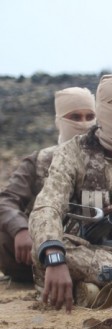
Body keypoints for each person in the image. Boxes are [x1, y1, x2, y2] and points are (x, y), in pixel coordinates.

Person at [29, 75, 112, 310]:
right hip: (88, 250)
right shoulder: (73, 152)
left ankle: (101, 288)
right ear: (102, 108)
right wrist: (55, 256)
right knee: (47, 249)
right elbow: (47, 206)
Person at [0, 87, 96, 283]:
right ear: (59, 120)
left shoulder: (109, 159)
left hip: (95, 246)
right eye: (75, 117)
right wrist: (20, 229)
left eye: (89, 116)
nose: (84, 123)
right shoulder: (39, 161)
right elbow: (7, 201)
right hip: (45, 244)